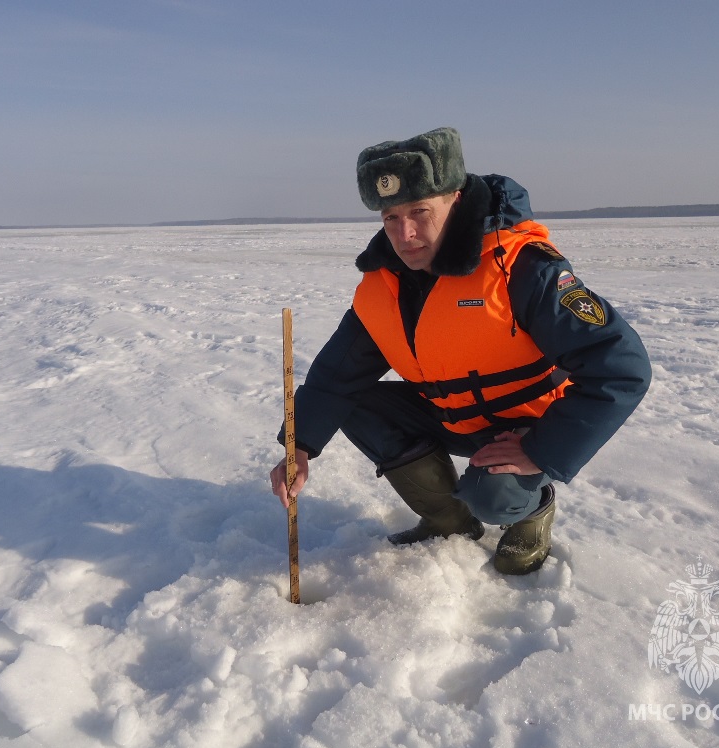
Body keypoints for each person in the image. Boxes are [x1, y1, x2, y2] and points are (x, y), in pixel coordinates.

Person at [270, 127, 651, 574]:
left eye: (419, 211)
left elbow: (620, 367)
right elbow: (338, 375)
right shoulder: (383, 287)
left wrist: (542, 449)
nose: (405, 233)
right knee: (355, 403)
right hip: (450, 415)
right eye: (390, 217)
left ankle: (533, 506)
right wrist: (300, 446)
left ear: (455, 198)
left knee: (495, 495)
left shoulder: (521, 268)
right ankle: (447, 519)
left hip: (526, 425)